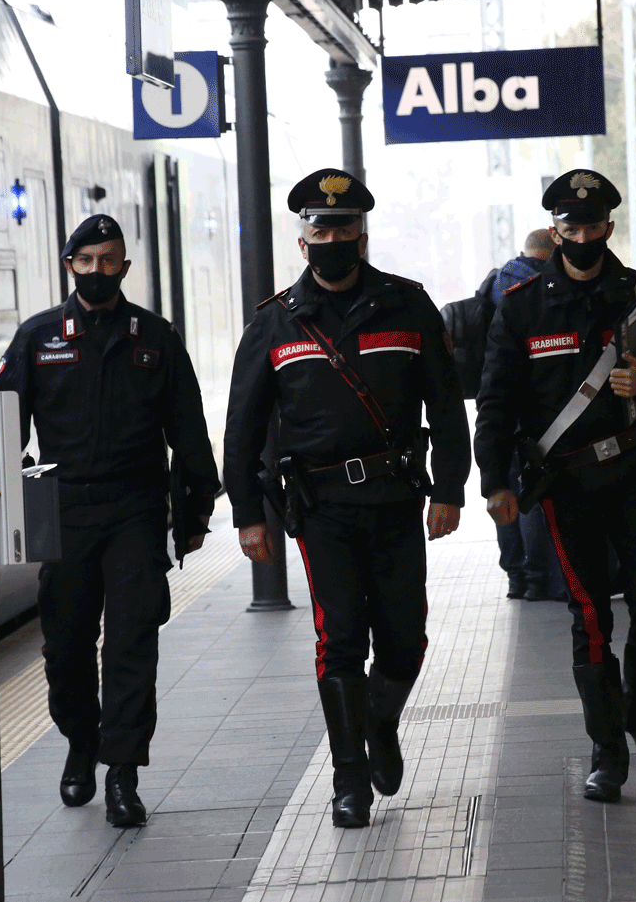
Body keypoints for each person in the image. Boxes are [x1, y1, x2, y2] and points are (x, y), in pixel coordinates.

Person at [224, 169, 471, 828]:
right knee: (339, 638)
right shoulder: (274, 322)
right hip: (321, 508)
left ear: (363, 233)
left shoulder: (408, 306)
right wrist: (247, 513)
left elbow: (447, 409)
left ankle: (380, 721)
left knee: (403, 639)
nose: (332, 236)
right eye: (320, 227)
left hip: (394, 499)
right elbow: (242, 426)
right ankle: (348, 780)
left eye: (343, 227)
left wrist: (450, 488)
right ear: (302, 239)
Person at [0, 214, 220, 826]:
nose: (97, 271)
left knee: (130, 644)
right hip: (63, 513)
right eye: (86, 261)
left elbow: (189, 429)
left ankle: (122, 772)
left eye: (109, 259)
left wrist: (196, 510)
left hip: (135, 513)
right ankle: (80, 742)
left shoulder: (156, 338)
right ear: (70, 266)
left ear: (124, 264)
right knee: (65, 648)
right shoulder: (39, 339)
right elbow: (2, 432)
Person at [475, 170, 636, 804]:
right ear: (554, 231)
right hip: (564, 483)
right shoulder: (519, 307)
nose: (580, 237)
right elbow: (495, 400)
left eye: (592, 226)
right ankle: (606, 750)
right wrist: (493, 481)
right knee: (590, 616)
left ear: (608, 228)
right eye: (568, 228)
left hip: (632, 472)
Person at [488, 229, 566, 602]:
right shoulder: (543, 289)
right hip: (534, 414)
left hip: (500, 412)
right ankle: (539, 578)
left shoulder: (495, 284)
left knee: (505, 493)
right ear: (551, 252)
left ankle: (516, 578)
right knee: (531, 494)